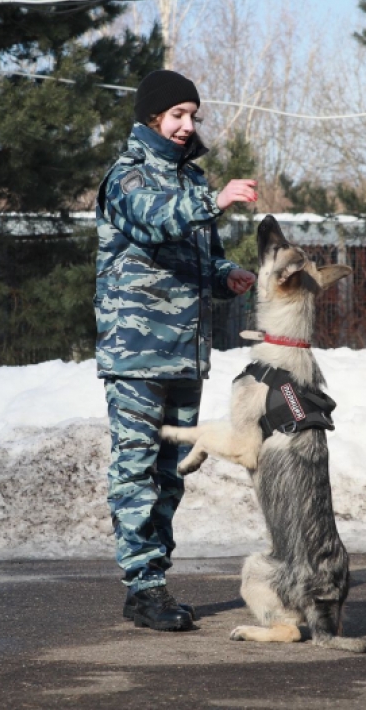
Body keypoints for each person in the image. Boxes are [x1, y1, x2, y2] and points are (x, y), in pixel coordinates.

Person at [94, 69, 257, 631]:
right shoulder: (126, 178)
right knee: (135, 471)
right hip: (135, 353)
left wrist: (226, 273)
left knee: (168, 475)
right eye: (177, 115)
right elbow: (154, 222)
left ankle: (154, 580)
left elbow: (198, 256)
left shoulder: (192, 183)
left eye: (194, 116)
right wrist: (217, 200)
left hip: (185, 354)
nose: (188, 126)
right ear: (150, 119)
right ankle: (142, 589)